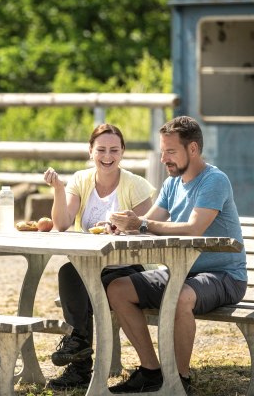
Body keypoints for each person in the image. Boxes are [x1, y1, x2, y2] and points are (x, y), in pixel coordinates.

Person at [107, 115, 247, 394]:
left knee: (180, 296)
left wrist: (143, 224)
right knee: (118, 289)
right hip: (181, 273)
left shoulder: (214, 180)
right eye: (162, 152)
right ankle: (151, 371)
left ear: (192, 149)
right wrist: (125, 226)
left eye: (170, 152)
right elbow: (148, 222)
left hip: (224, 276)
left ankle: (179, 380)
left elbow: (195, 228)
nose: (164, 159)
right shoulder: (173, 183)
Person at [43, 123, 156, 390]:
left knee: (83, 278)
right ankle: (80, 351)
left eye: (114, 150)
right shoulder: (80, 180)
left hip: (129, 267)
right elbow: (61, 223)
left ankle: (79, 358)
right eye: (101, 150)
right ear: (90, 151)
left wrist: (127, 227)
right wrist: (59, 189)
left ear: (122, 152)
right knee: (70, 272)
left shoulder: (136, 185)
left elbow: (150, 231)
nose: (107, 156)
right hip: (92, 266)